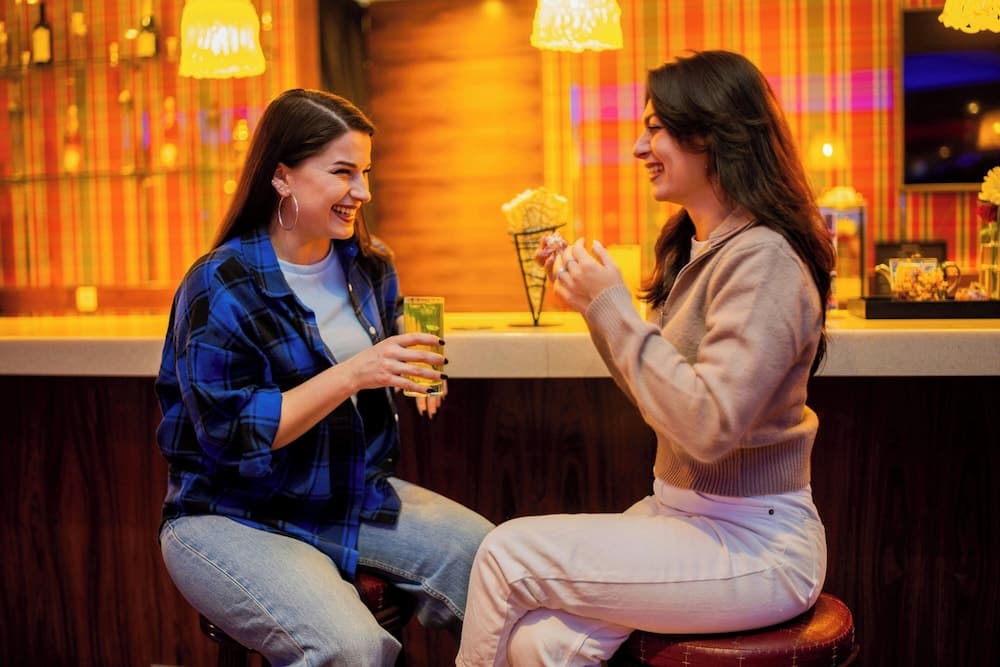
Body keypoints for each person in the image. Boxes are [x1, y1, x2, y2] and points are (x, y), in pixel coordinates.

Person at [456, 50, 836, 666]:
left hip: (756, 541)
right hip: (683, 514)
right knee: (538, 644)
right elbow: (663, 394)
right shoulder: (704, 248)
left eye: (655, 128)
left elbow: (707, 426)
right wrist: (593, 304)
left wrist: (610, 305)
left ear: (713, 136)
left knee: (505, 553)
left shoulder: (765, 259)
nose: (638, 147)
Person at [155, 88, 494, 666]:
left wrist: (414, 362)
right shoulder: (219, 284)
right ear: (281, 176)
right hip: (230, 514)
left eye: (365, 172)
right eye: (343, 172)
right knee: (351, 648)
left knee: (496, 568)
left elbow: (387, 333)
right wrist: (356, 372)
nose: (363, 191)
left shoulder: (369, 265)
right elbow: (234, 436)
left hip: (347, 497)